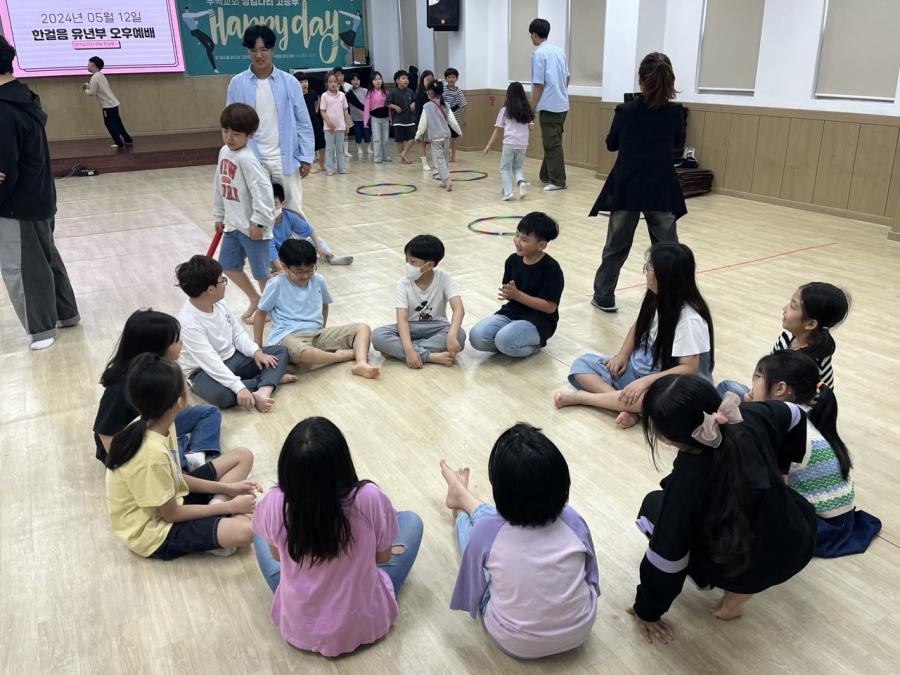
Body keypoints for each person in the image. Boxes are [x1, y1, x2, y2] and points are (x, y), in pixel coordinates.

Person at [628, 375, 816, 642]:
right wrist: (783, 467)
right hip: (797, 539)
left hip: (743, 569)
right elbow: (794, 414)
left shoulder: (686, 483)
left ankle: (738, 589)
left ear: (666, 438)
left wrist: (647, 610)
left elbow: (667, 557)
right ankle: (738, 597)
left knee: (653, 505)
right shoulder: (750, 416)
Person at [252, 416, 423, 657]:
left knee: (259, 529)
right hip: (360, 621)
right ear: (342, 463)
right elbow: (382, 557)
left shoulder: (274, 502)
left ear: (287, 468)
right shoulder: (368, 497)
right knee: (411, 520)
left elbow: (278, 557)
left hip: (299, 622)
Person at [442, 423, 599, 659]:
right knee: (491, 529)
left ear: (500, 492)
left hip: (515, 642)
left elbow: (472, 587)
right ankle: (462, 496)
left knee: (478, 536)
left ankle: (461, 507)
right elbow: (591, 574)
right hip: (580, 630)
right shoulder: (573, 519)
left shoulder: (486, 531)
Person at [106, 353, 260, 559]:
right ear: (178, 401)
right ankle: (218, 521)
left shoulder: (157, 424)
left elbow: (176, 476)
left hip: (173, 498)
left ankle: (216, 516)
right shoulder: (151, 454)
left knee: (243, 456)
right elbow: (170, 514)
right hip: (155, 531)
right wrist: (231, 505)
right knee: (247, 531)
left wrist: (227, 489)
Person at [556, 242, 714, 429]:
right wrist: (622, 355)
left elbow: (688, 368)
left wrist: (643, 382)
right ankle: (626, 406)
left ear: (666, 276)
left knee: (657, 401)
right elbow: (638, 326)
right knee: (581, 364)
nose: (646, 271)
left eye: (650, 267)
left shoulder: (689, 319)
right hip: (640, 368)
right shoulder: (655, 296)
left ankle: (586, 399)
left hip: (668, 381)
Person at [746, 351, 881, 557]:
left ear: (781, 389)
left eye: (757, 377)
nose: (752, 382)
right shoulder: (804, 413)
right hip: (838, 516)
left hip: (823, 525)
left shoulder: (787, 429)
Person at [0, 36, 80, 350]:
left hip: (15, 204)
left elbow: (4, 171)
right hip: (40, 195)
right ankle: (66, 314)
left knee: (22, 268)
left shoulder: (3, 109)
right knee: (45, 258)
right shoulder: (23, 96)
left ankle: (41, 330)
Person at [589, 53, 685, 313]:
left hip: (628, 186)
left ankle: (604, 296)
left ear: (640, 79)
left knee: (616, 245)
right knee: (668, 249)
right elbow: (678, 144)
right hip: (661, 187)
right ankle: (671, 298)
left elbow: (611, 144)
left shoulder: (626, 110)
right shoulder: (675, 112)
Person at [92, 309, 222, 470]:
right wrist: (125, 464)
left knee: (209, 412)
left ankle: (193, 454)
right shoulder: (119, 388)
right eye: (176, 340)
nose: (181, 343)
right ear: (157, 347)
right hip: (131, 447)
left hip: (157, 425)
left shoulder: (163, 370)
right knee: (163, 461)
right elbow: (105, 434)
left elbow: (181, 404)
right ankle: (180, 455)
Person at [175, 255, 294, 412]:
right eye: (222, 280)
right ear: (211, 290)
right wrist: (239, 388)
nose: (225, 283)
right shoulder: (188, 323)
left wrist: (256, 352)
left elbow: (238, 333)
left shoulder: (219, 303)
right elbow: (210, 361)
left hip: (233, 357)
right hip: (202, 371)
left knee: (280, 352)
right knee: (222, 395)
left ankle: (263, 389)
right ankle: (267, 380)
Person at [253, 239, 380, 379]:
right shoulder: (276, 284)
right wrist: (258, 348)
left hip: (316, 333)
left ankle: (361, 363)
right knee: (304, 353)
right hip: (287, 336)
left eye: (310, 269)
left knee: (362, 328)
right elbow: (260, 314)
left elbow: (324, 305)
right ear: (284, 266)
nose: (305, 275)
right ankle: (340, 356)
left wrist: (322, 329)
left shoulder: (318, 280)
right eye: (299, 271)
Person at [226, 25, 314, 216]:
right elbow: (231, 124)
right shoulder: (237, 84)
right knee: (257, 215)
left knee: (293, 212)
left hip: (286, 160)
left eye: (264, 49)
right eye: (253, 50)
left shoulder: (290, 83)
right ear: (248, 51)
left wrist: (306, 157)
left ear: (272, 49)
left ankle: (300, 237)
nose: (259, 55)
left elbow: (303, 123)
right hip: (252, 161)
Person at [717, 282, 850, 398]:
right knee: (728, 387)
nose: (784, 308)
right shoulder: (788, 336)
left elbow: (793, 406)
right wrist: (756, 390)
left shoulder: (810, 365)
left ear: (810, 324)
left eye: (792, 306)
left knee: (726, 390)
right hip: (770, 396)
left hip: (786, 412)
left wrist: (757, 402)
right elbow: (767, 370)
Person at [469, 212, 564, 359]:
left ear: (541, 245)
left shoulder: (551, 268)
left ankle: (531, 345)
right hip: (512, 312)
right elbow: (511, 292)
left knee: (504, 340)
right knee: (476, 337)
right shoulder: (512, 260)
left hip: (540, 320)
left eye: (524, 239)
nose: (517, 241)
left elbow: (550, 307)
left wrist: (518, 295)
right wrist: (509, 293)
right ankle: (511, 343)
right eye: (517, 235)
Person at [213, 102, 275, 323]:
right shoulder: (224, 152)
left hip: (253, 228)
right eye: (225, 131)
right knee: (228, 266)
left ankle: (269, 310)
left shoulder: (247, 159)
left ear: (250, 135)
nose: (229, 138)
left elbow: (264, 193)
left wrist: (259, 222)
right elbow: (220, 184)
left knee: (261, 273)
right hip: (233, 225)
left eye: (236, 134)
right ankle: (255, 299)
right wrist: (218, 214)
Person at [372, 234, 465, 368]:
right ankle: (429, 356)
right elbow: (402, 319)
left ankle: (399, 351)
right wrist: (409, 350)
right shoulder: (403, 283)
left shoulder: (444, 279)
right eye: (407, 260)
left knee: (459, 334)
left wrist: (451, 336)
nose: (408, 265)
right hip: (410, 327)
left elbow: (458, 309)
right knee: (378, 335)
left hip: (437, 326)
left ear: (429, 265)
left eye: (413, 262)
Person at [269, 182, 352, 270]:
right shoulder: (264, 223)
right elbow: (270, 247)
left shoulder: (289, 217)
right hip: (272, 253)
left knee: (315, 240)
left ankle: (331, 257)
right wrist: (280, 268)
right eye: (269, 205)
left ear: (283, 204)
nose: (272, 209)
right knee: (268, 262)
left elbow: (309, 231)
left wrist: (319, 247)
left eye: (275, 204)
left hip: (287, 248)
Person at [528, 18, 569, 191]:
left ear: (534, 34)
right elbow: (567, 77)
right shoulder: (559, 51)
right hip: (562, 104)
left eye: (531, 35)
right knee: (553, 140)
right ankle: (546, 175)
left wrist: (530, 110)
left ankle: (558, 181)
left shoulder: (539, 54)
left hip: (549, 106)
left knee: (552, 143)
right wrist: (560, 93)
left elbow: (538, 85)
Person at [483, 81, 534, 201]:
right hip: (522, 144)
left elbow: (497, 130)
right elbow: (531, 128)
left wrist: (488, 145)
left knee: (504, 168)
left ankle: (508, 192)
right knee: (517, 167)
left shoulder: (505, 110)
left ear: (508, 94)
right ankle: (521, 182)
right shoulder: (527, 110)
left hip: (509, 143)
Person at [415, 81, 462, 192]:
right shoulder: (446, 105)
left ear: (430, 92)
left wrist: (418, 135)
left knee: (439, 160)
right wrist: (459, 132)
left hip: (435, 138)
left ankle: (447, 180)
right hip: (446, 137)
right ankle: (443, 180)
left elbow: (422, 125)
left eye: (427, 91)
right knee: (444, 159)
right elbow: (452, 122)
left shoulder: (427, 106)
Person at [81, 56, 133, 149]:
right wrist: (88, 86)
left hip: (107, 105)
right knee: (117, 123)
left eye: (88, 63)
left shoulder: (95, 77)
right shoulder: (100, 75)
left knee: (110, 124)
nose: (87, 65)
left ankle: (119, 142)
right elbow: (98, 89)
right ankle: (128, 140)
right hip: (112, 104)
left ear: (93, 64)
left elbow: (92, 92)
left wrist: (85, 89)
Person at [320, 71, 350, 176]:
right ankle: (330, 169)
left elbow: (345, 111)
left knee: (340, 149)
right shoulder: (324, 96)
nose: (333, 84)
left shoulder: (342, 95)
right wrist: (329, 123)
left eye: (334, 81)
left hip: (340, 127)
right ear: (326, 83)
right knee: (329, 149)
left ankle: (341, 168)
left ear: (337, 83)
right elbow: (322, 111)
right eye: (330, 82)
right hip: (329, 128)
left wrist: (347, 124)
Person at [296, 73, 326, 172]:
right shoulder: (296, 95)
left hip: (314, 121)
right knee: (307, 145)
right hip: (303, 124)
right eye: (301, 82)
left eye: (305, 81)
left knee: (321, 143)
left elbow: (317, 100)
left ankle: (322, 164)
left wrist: (316, 110)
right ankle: (310, 166)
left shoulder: (312, 92)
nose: (304, 84)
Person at [386, 70, 416, 163]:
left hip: (410, 119)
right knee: (400, 140)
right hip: (398, 120)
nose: (406, 80)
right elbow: (387, 103)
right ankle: (403, 158)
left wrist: (413, 104)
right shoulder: (393, 92)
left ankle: (404, 153)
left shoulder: (410, 91)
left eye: (407, 78)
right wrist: (395, 107)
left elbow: (414, 101)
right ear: (397, 81)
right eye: (403, 78)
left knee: (413, 138)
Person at [363, 71, 391, 163]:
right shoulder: (370, 93)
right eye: (375, 79)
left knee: (385, 139)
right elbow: (366, 108)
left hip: (385, 118)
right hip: (375, 119)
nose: (378, 81)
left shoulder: (386, 92)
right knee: (377, 139)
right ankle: (377, 157)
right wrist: (365, 121)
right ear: (372, 82)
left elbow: (389, 107)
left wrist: (390, 118)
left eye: (379, 79)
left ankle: (386, 156)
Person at [181, 7, 219, 74]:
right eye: (186, 9)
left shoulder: (189, 16)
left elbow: (193, 21)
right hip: (194, 32)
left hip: (197, 31)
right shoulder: (184, 15)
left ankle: (209, 53)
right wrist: (207, 11)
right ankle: (214, 68)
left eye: (188, 9)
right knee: (207, 47)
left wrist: (195, 23)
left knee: (212, 43)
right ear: (185, 10)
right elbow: (197, 14)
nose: (187, 10)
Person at [443, 67, 467, 162]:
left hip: (454, 118)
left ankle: (453, 156)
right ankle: (447, 153)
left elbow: (463, 105)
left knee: (454, 139)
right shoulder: (443, 89)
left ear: (457, 78)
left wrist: (464, 119)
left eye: (453, 77)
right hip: (444, 117)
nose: (451, 79)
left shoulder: (458, 91)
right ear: (446, 79)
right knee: (445, 137)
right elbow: (440, 102)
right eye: (449, 77)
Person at [413, 70, 435, 171]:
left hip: (433, 122)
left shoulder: (434, 93)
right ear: (422, 81)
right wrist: (419, 124)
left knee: (434, 143)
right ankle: (424, 163)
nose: (430, 82)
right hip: (424, 121)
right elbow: (418, 111)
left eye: (431, 80)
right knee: (423, 143)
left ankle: (436, 162)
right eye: (427, 80)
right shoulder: (419, 94)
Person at [348, 72, 371, 158]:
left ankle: (368, 148)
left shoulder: (365, 91)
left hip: (366, 118)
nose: (356, 81)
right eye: (353, 80)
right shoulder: (349, 92)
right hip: (355, 118)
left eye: (357, 79)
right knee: (357, 135)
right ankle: (359, 148)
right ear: (350, 81)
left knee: (367, 134)